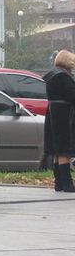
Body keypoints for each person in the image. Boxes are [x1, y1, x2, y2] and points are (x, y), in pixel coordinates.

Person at [42, 50, 75, 192]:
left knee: (57, 150)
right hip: (64, 115)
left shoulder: (53, 75)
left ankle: (59, 183)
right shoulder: (63, 76)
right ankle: (67, 184)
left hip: (54, 113)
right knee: (64, 150)